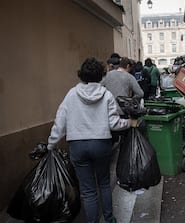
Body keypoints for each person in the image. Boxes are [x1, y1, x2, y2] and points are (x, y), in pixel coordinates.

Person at [47, 57, 138, 223]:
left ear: (81, 75)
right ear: (101, 76)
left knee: (88, 191)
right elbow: (114, 123)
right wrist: (129, 123)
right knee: (103, 183)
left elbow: (60, 122)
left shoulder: (71, 94)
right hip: (101, 144)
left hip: (78, 146)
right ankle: (109, 219)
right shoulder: (107, 95)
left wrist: (51, 144)